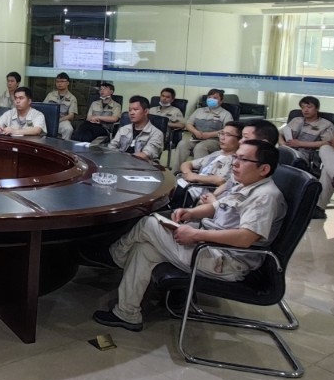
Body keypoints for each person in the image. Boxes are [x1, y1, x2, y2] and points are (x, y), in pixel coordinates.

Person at [92, 140, 287, 332]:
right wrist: (190, 213)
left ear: (264, 169)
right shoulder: (245, 184)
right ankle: (127, 314)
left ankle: (115, 255)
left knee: (147, 224)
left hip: (225, 260)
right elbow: (216, 207)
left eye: (243, 160)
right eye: (236, 157)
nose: (235, 163)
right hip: (209, 247)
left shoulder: (265, 196)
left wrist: (196, 234)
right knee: (144, 249)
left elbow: (245, 238)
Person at [169, 121, 242, 208]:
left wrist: (195, 177)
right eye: (222, 133)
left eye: (228, 135)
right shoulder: (217, 153)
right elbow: (187, 163)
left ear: (240, 140)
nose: (222, 138)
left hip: (200, 194)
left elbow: (221, 181)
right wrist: (189, 173)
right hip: (188, 185)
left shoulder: (236, 161)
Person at [281, 96, 334, 170]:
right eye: (303, 107)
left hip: (306, 156)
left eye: (309, 107)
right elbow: (279, 134)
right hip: (288, 150)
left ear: (317, 108)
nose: (305, 110)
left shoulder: (326, 125)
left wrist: (300, 143)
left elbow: (328, 143)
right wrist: (283, 144)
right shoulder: (296, 120)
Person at [182, 89, 236, 162]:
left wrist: (209, 134)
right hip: (196, 138)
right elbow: (188, 124)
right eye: (209, 97)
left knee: (200, 147)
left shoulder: (226, 114)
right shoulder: (199, 111)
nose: (211, 99)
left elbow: (228, 130)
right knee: (182, 144)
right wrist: (195, 132)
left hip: (214, 140)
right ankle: (177, 169)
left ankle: (199, 168)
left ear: (221, 101)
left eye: (215, 98)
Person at [108, 96, 165, 161]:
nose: (131, 113)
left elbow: (146, 154)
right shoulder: (123, 129)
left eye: (135, 109)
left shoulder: (157, 134)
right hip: (119, 162)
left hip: (141, 165)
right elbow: (111, 147)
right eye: (130, 110)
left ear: (146, 111)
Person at [43, 72, 80, 140]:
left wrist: (58, 120)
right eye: (57, 82)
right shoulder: (50, 95)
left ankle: (64, 145)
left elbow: (71, 115)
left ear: (68, 83)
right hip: (48, 119)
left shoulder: (72, 98)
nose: (59, 83)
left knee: (68, 129)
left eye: (62, 81)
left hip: (62, 120)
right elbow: (43, 108)